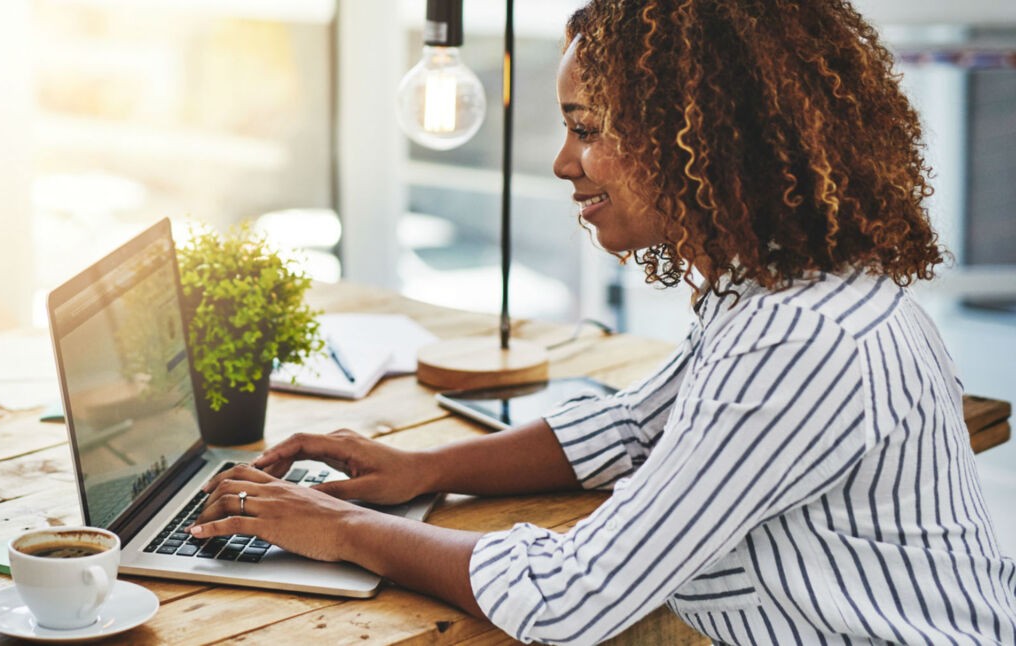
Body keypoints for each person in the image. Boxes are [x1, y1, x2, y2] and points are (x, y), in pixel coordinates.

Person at [190, 0, 1016, 643]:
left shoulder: (800, 340)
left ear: (704, 137)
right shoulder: (777, 289)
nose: (562, 162)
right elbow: (626, 430)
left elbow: (574, 595)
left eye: (588, 129)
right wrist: (421, 470)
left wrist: (339, 529)